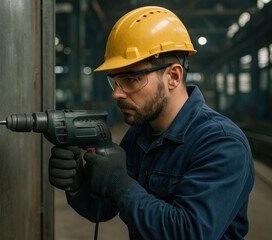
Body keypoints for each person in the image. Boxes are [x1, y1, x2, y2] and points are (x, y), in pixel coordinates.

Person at [48, 6, 255, 240]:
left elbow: (190, 233)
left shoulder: (221, 143)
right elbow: (103, 209)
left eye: (131, 79)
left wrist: (121, 184)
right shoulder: (139, 134)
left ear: (173, 77)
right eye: (114, 82)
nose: (117, 94)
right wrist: (78, 184)